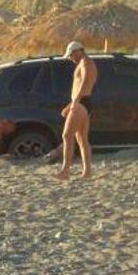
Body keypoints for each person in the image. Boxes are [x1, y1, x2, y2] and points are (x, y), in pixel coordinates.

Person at [53, 41, 98, 180]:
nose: (70, 58)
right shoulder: (86, 62)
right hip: (83, 102)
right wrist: (71, 104)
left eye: (71, 55)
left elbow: (84, 83)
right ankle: (87, 172)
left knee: (67, 135)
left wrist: (75, 102)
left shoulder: (86, 62)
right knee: (82, 139)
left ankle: (65, 170)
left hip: (81, 102)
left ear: (78, 51)